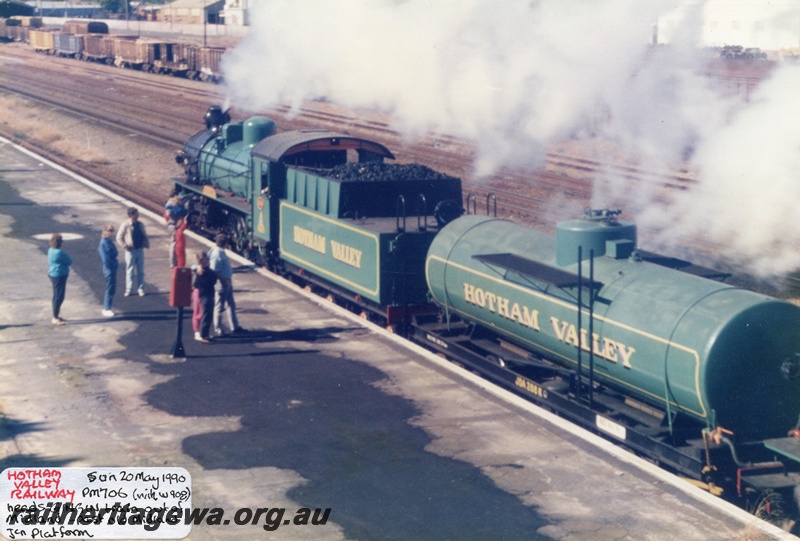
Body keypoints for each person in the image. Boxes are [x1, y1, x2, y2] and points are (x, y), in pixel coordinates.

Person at [209, 233, 245, 336]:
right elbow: (214, 270)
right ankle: (218, 329)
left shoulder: (219, 252)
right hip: (222, 283)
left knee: (231, 305)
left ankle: (235, 327)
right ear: (225, 244)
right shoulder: (217, 254)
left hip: (227, 282)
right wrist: (224, 279)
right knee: (219, 306)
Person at [116, 207, 150, 297]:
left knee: (140, 271)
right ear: (131, 215)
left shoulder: (140, 224)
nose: (138, 215)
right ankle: (128, 289)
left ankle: (141, 289)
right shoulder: (125, 225)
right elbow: (119, 237)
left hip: (139, 250)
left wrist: (144, 244)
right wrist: (125, 246)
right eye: (136, 213)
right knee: (130, 270)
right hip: (130, 251)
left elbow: (144, 235)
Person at [47, 233, 72, 325]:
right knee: (59, 296)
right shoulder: (59, 253)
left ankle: (56, 315)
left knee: (57, 295)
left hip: (53, 273)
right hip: (59, 275)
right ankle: (54, 317)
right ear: (60, 243)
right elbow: (69, 261)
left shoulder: (50, 250)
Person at [193, 251, 216, 343]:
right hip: (205, 295)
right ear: (202, 261)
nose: (208, 260)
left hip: (208, 294)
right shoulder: (203, 272)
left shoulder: (205, 270)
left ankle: (205, 334)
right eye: (206, 259)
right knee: (206, 315)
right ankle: (203, 335)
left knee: (209, 315)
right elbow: (212, 281)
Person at [98, 224, 119, 317]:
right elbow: (106, 258)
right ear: (105, 231)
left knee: (112, 287)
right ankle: (106, 308)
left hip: (113, 267)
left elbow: (116, 252)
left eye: (112, 231)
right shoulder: (103, 243)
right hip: (109, 268)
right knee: (110, 288)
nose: (111, 233)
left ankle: (108, 307)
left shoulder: (109, 241)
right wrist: (112, 264)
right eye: (110, 231)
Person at [164, 190, 187, 269]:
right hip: (173, 225)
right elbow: (170, 213)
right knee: (174, 244)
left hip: (174, 225)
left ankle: (174, 262)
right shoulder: (172, 205)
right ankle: (173, 264)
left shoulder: (173, 204)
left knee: (175, 243)